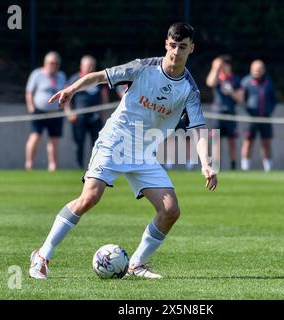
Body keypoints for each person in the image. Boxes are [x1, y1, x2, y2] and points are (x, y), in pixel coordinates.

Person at [29, 22, 218, 280]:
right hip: (115, 142)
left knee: (171, 210)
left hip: (143, 154)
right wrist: (72, 88)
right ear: (166, 44)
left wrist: (206, 163)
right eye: (173, 46)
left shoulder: (189, 89)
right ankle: (42, 256)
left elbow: (198, 129)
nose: (176, 52)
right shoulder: (142, 67)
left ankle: (136, 264)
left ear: (191, 49)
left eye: (182, 47)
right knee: (89, 198)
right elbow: (100, 76)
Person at [25, 51, 67, 171]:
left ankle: (52, 166)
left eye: (56, 63)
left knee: (54, 140)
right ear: (45, 63)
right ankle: (29, 163)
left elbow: (66, 93)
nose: (53, 65)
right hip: (39, 111)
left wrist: (67, 109)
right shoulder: (37, 74)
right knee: (35, 137)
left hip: (56, 113)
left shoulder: (61, 76)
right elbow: (29, 92)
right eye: (51, 63)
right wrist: (31, 107)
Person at [66, 55, 109, 168]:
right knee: (79, 142)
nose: (89, 67)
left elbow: (104, 97)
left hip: (95, 117)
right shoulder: (74, 79)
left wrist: (103, 113)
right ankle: (79, 166)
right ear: (81, 66)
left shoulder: (99, 79)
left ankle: (95, 166)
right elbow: (66, 98)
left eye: (91, 65)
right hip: (79, 117)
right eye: (87, 65)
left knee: (97, 142)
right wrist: (69, 113)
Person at [206, 55, 243, 170]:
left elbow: (240, 98)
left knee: (232, 141)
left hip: (230, 114)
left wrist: (231, 92)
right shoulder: (217, 78)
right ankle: (217, 166)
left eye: (225, 65)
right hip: (217, 114)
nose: (223, 67)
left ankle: (233, 166)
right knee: (216, 142)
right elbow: (210, 83)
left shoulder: (236, 79)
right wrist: (215, 67)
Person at [240, 60, 276, 172]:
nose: (257, 71)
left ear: (263, 70)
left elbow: (273, 99)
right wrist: (247, 111)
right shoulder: (246, 82)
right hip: (251, 118)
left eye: (259, 69)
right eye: (255, 69)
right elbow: (242, 99)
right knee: (248, 141)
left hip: (265, 118)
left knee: (266, 142)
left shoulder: (268, 83)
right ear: (251, 69)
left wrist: (268, 110)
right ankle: (245, 167)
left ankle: (268, 167)